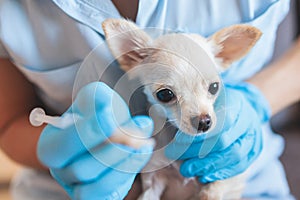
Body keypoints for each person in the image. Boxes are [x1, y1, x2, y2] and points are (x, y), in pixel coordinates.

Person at [0, 0, 299, 199]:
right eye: (167, 95)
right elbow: (10, 122)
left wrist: (259, 98)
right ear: (131, 55)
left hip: (245, 184)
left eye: (211, 88)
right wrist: (57, 150)